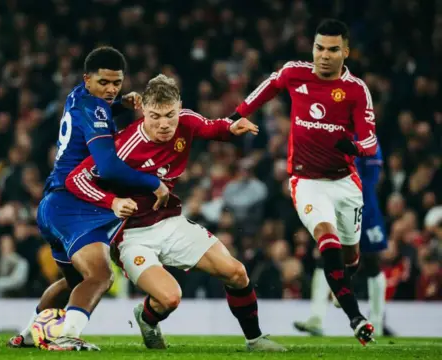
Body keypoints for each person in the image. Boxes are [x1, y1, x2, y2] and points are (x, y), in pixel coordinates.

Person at [65, 74, 286, 352]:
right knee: (170, 299)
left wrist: (231, 128)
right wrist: (111, 202)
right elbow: (75, 178)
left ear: (178, 106)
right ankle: (146, 318)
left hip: (170, 222)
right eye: (155, 116)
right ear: (143, 108)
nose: (164, 124)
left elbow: (209, 127)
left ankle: (255, 340)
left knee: (237, 273)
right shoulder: (123, 146)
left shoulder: (185, 120)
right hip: (131, 236)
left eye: (170, 114)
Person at [8, 46, 169, 351]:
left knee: (74, 282)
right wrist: (153, 183)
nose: (111, 90)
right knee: (100, 275)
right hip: (74, 203)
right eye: (104, 83)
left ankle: (28, 335)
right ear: (88, 79)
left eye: (117, 83)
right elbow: (107, 166)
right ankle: (68, 336)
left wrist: (120, 104)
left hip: (51, 206)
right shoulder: (95, 108)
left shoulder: (77, 96)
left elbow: (95, 113)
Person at [229, 19, 377, 345]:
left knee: (350, 257)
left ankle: (343, 285)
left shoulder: (355, 90)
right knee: (327, 238)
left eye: (333, 49)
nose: (324, 55)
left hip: (344, 181)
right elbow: (269, 85)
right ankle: (357, 318)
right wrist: (238, 113)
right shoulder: (295, 72)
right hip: (306, 181)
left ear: (346, 52)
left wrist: (352, 147)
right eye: (319, 48)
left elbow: (370, 143)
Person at [294, 144, 388, 336]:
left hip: (364, 207)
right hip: (331, 204)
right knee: (326, 257)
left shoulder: (366, 138)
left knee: (371, 263)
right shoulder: (332, 130)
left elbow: (371, 181)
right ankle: (316, 317)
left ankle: (377, 321)